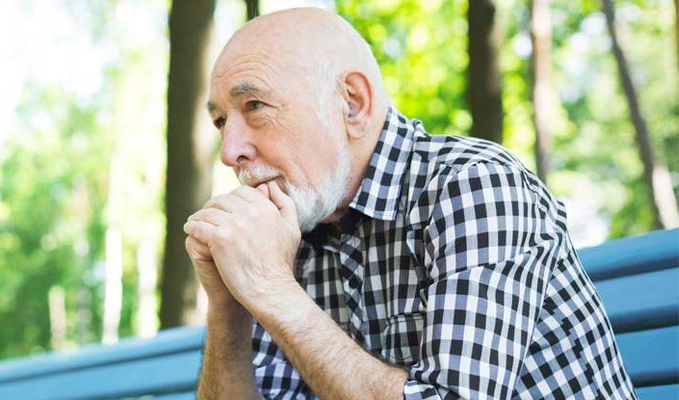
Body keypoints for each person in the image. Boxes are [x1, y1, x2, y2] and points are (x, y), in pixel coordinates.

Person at [182, 7, 635, 400]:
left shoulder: (474, 186)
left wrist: (272, 291)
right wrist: (230, 305)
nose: (229, 151)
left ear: (353, 103)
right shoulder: (287, 231)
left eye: (255, 106)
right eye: (221, 121)